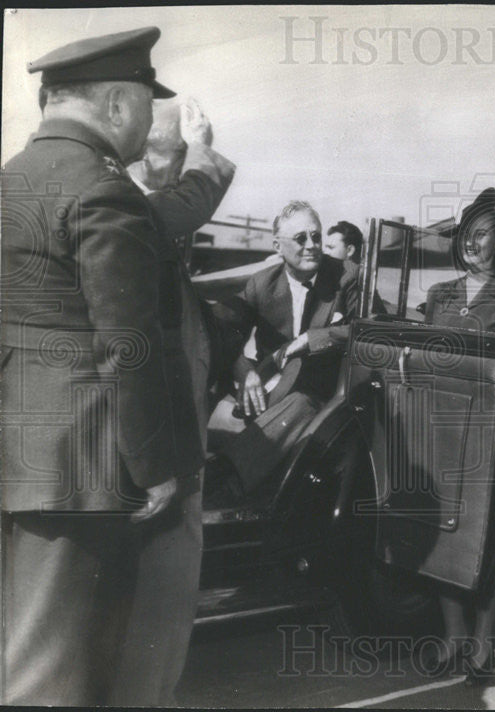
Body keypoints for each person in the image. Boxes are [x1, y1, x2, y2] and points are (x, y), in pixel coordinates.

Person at [0, 27, 203, 705]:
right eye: (147, 104)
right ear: (117, 104)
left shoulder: (13, 179)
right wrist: (154, 469)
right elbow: (128, 343)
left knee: (22, 651)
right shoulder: (101, 189)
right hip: (81, 471)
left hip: (22, 458)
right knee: (55, 675)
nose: (147, 124)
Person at [108, 96, 236, 706]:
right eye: (177, 151)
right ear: (144, 155)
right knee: (153, 603)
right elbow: (188, 203)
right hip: (155, 461)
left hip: (163, 452)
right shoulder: (130, 208)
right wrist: (205, 153)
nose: (185, 164)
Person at [422, 187, 495, 682]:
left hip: (489, 431)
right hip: (441, 428)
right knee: (442, 532)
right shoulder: (438, 295)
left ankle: (483, 640)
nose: (472, 243)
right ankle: (453, 634)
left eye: (482, 233)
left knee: (484, 537)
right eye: (466, 234)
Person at [206, 201, 359, 501]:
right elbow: (221, 330)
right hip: (270, 390)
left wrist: (311, 339)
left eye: (316, 236)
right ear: (278, 246)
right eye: (301, 239)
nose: (312, 246)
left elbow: (367, 328)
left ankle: (226, 486)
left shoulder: (348, 276)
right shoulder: (262, 284)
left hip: (326, 397)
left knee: (301, 403)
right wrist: (244, 370)